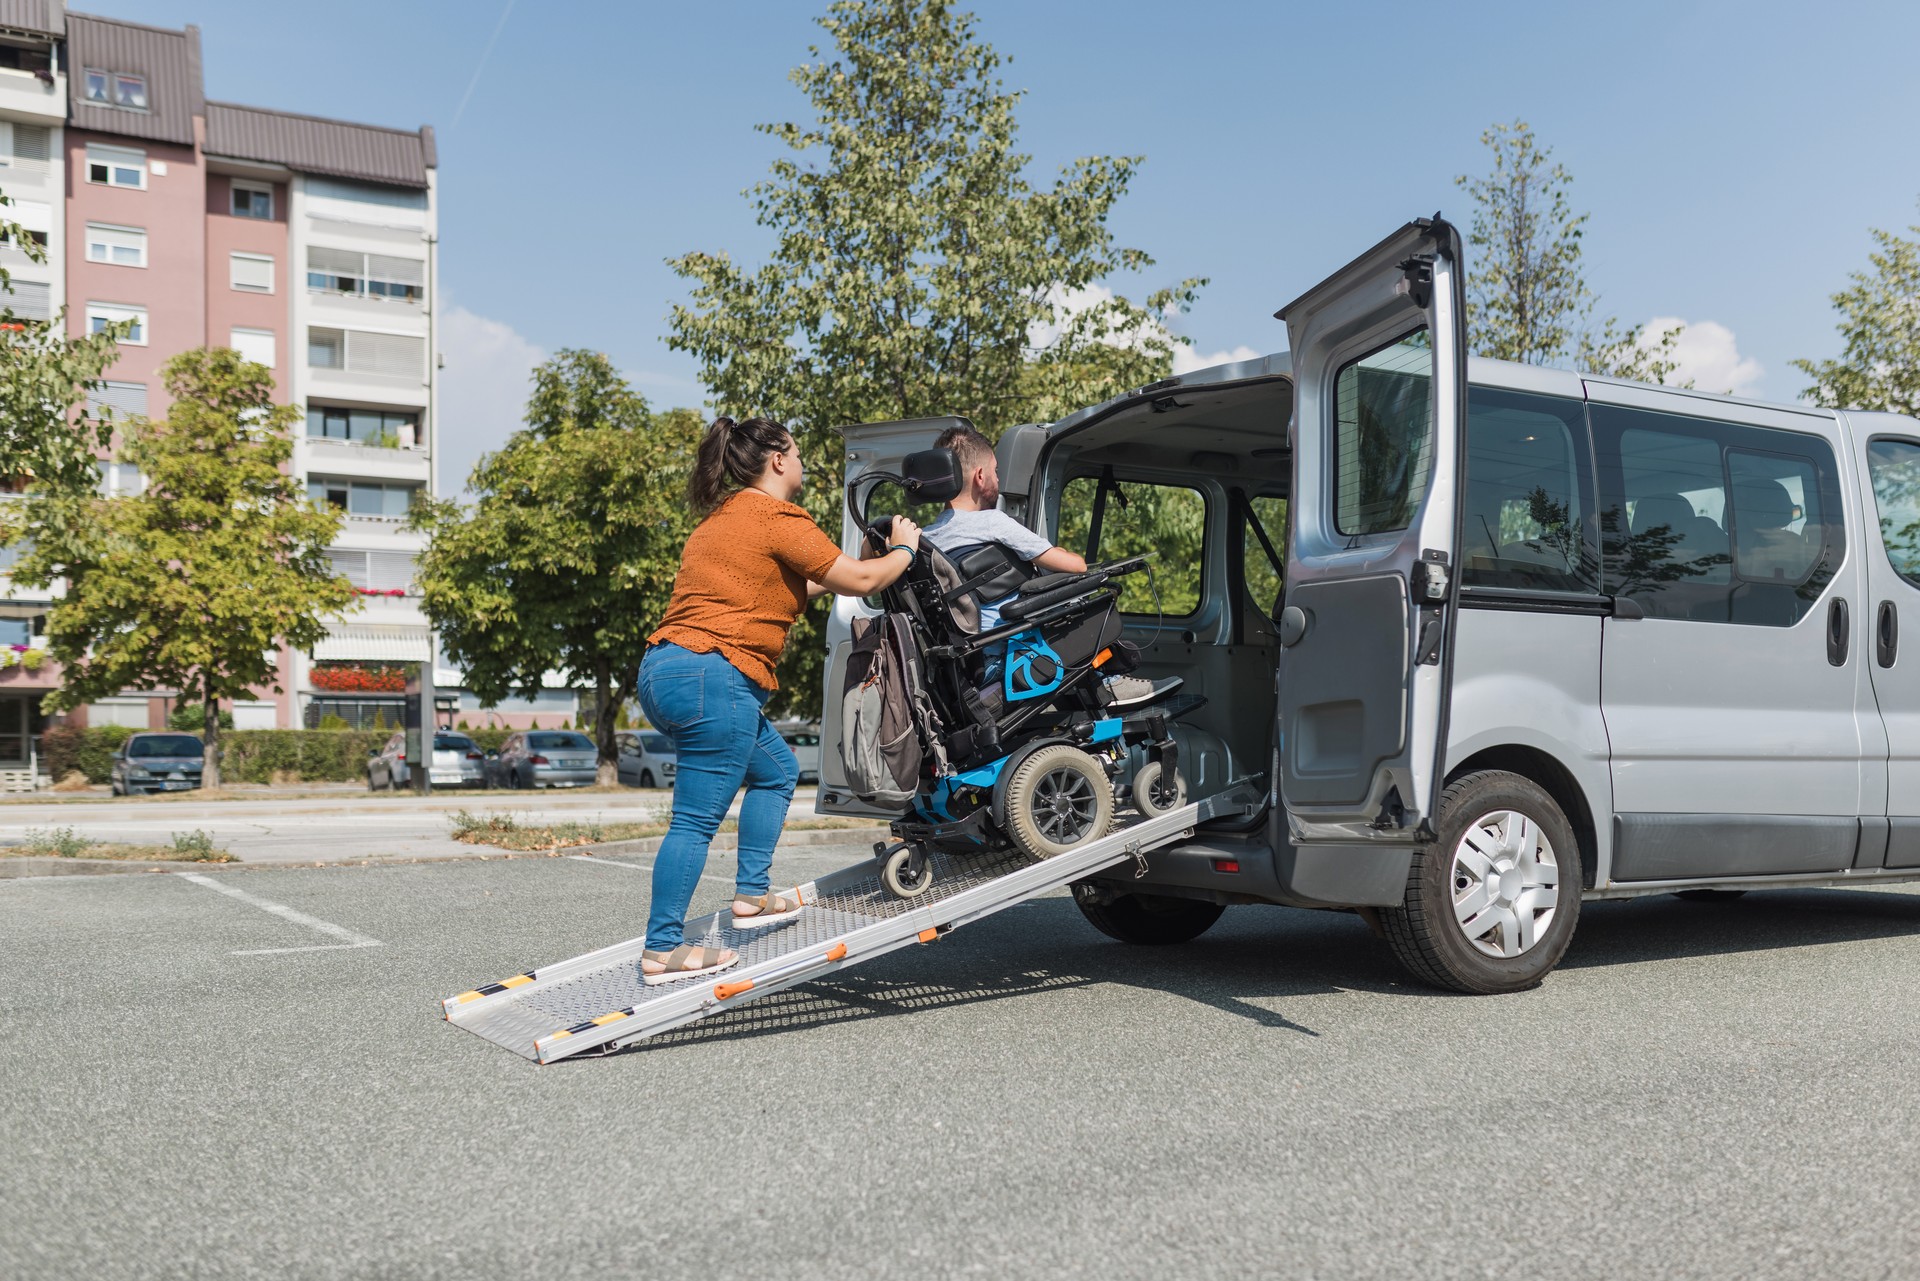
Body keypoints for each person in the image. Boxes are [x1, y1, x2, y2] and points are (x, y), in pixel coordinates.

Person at [637, 415, 922, 984]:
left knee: (776, 770)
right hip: (715, 676)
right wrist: (904, 552)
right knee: (695, 821)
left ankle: (751, 895)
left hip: (665, 669)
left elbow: (805, 582)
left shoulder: (720, 520)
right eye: (797, 452)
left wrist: (865, 558)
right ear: (777, 460)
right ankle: (662, 948)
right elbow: (864, 584)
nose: (803, 463)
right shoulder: (777, 515)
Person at [922, 424, 1178, 707]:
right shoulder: (992, 523)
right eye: (995, 471)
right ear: (980, 477)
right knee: (1086, 600)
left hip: (967, 666)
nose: (998, 478)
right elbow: (1075, 565)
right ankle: (1110, 686)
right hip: (1010, 659)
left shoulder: (926, 540)